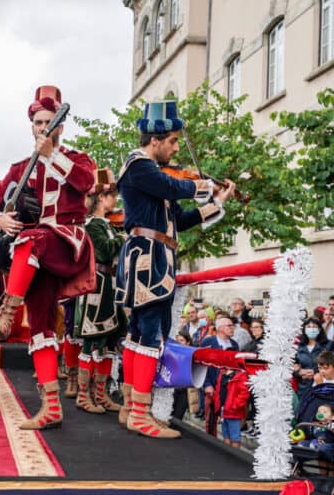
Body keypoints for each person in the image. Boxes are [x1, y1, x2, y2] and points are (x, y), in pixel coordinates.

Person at [115, 100, 235, 439]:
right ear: (155, 140)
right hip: (148, 258)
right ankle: (140, 412)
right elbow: (172, 187)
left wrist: (217, 203)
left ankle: (131, 406)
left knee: (141, 334)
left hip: (153, 256)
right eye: (172, 142)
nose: (176, 148)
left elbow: (179, 220)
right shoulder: (140, 166)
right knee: (149, 335)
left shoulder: (152, 176)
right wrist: (205, 186)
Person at [0, 85, 96, 430]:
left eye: (50, 121)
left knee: (32, 238)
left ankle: (6, 312)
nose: (44, 126)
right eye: (38, 122)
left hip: (65, 242)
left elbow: (86, 183)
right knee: (42, 326)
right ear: (31, 125)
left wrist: (50, 155)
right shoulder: (19, 169)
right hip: (32, 259)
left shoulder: (77, 159)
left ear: (61, 125)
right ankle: (51, 407)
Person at [65, 167, 127, 414]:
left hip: (110, 288)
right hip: (97, 287)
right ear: (101, 198)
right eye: (112, 195)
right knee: (92, 342)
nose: (116, 200)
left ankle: (100, 395)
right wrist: (125, 239)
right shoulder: (92, 225)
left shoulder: (106, 224)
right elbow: (104, 251)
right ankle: (83, 395)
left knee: (110, 342)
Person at [201, 314, 240, 437]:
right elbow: (201, 366)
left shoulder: (234, 344)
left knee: (228, 419)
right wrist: (206, 384)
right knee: (211, 420)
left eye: (232, 325)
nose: (232, 328)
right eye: (229, 326)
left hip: (228, 388)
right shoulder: (208, 342)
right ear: (220, 328)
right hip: (212, 386)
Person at [294, 317, 330, 401]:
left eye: (314, 327)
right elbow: (292, 366)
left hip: (321, 385)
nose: (311, 329)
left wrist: (315, 371)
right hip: (302, 388)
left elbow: (331, 364)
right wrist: (299, 372)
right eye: (309, 327)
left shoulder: (327, 345)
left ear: (319, 329)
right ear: (304, 329)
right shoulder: (298, 347)